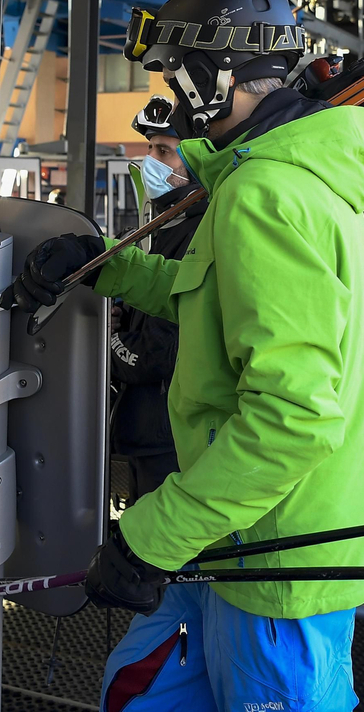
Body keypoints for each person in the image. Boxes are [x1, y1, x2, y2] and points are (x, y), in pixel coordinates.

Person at [3, 0, 364, 712]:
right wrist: (103, 266)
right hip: (230, 534)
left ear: (218, 73)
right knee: (137, 690)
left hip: (273, 564)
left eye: (174, 75)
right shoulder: (259, 182)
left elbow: (293, 419)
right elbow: (201, 292)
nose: (170, 100)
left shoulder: (266, 195)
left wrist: (151, 533)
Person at [109, 97, 206, 504]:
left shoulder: (198, 232)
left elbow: (156, 353)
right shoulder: (165, 226)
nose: (149, 159)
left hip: (170, 430)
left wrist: (110, 340)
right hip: (148, 425)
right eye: (149, 148)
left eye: (163, 151)